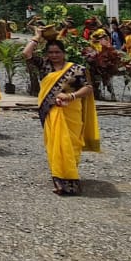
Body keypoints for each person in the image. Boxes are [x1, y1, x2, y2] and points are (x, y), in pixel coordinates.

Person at [24, 31, 101, 195]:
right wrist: (37, 36)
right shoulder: (44, 66)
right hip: (52, 111)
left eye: (57, 52)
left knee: (71, 144)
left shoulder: (76, 69)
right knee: (56, 144)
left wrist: (70, 95)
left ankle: (71, 176)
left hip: (71, 111)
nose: (54, 55)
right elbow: (26, 53)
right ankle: (60, 179)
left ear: (64, 53)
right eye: (50, 52)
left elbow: (87, 88)